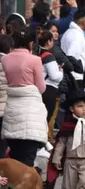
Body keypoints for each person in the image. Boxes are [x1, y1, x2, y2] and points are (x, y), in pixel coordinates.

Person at [1, 27, 49, 170]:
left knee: (14, 158)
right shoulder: (35, 60)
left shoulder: (5, 59)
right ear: (30, 44)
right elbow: (41, 87)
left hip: (11, 108)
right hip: (30, 110)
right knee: (27, 159)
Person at [37, 30, 63, 134]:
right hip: (49, 90)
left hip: (40, 89)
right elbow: (54, 76)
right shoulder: (49, 56)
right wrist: (61, 71)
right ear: (48, 42)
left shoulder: (38, 54)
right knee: (46, 118)